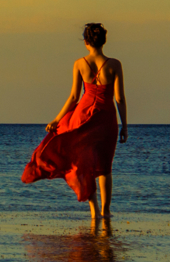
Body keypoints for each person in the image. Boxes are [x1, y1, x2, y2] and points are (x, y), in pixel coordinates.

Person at [22, 23, 128, 223]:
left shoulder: (80, 64)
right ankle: (106, 213)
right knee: (105, 166)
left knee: (84, 163)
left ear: (86, 42)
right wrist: (125, 126)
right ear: (103, 41)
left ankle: (94, 211)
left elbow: (73, 97)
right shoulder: (115, 64)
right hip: (106, 119)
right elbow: (120, 98)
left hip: (83, 117)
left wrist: (57, 119)